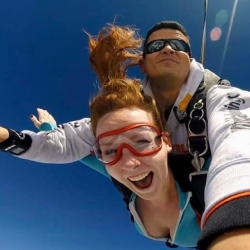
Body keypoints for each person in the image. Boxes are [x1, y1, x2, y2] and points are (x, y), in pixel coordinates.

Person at [1, 22, 250, 249]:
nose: (167, 49)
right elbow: (72, 145)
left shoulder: (217, 99)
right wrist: (47, 130)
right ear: (142, 63)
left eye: (178, 45)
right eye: (156, 45)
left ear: (189, 57)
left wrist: (237, 220)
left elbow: (239, 140)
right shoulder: (126, 118)